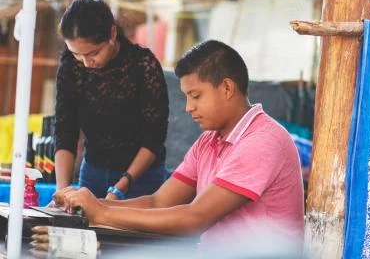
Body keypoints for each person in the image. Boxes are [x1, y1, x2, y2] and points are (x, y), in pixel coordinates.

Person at [53, 40, 304, 254]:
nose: (188, 107)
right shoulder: (208, 141)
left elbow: (196, 217)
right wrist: (88, 206)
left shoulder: (262, 140)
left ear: (227, 88)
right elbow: (158, 202)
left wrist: (103, 215)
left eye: (196, 96)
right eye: (186, 97)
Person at [54, 0, 169, 200]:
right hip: (92, 173)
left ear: (112, 33)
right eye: (77, 55)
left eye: (93, 53)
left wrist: (120, 187)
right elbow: (65, 129)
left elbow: (154, 137)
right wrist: (62, 189)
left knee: (128, 231)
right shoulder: (71, 67)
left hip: (142, 177)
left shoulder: (143, 65)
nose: (86, 63)